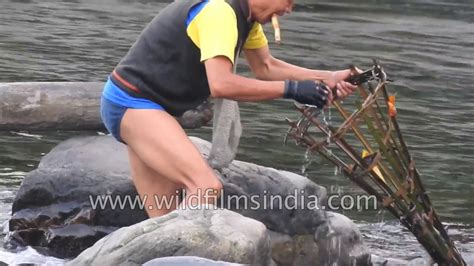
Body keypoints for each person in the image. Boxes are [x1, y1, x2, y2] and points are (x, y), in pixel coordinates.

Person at [100, 0, 357, 218]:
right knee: (204, 186)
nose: (289, 9)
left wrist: (328, 77)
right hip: (132, 104)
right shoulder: (219, 13)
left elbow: (266, 67)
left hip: (150, 108)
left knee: (164, 219)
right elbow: (221, 84)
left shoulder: (246, 17)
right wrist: (293, 90)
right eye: (287, 0)